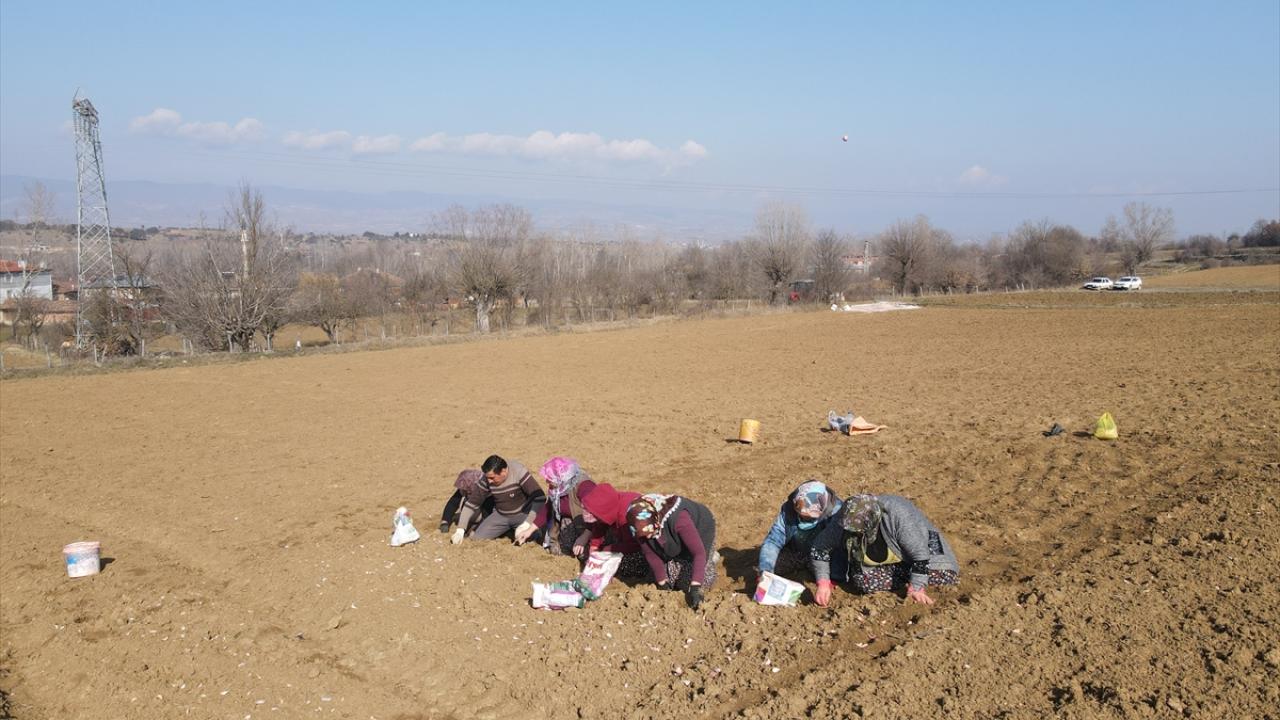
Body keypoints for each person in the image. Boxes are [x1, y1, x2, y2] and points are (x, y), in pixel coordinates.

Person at [809, 493, 959, 606]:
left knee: (945, 575)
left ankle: (910, 578)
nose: (853, 534)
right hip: (890, 565)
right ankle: (905, 575)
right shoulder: (844, 519)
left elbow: (920, 554)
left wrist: (917, 587)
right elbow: (819, 549)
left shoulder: (898, 516)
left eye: (859, 532)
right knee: (864, 583)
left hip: (923, 548)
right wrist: (823, 582)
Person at [625, 493, 718, 610]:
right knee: (663, 579)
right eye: (644, 535)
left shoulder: (679, 519)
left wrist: (695, 588)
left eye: (649, 532)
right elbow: (650, 554)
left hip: (699, 533)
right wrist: (662, 583)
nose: (647, 537)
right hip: (669, 538)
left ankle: (711, 556)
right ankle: (677, 556)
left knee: (695, 581)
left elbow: (698, 553)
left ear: (656, 521)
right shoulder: (639, 525)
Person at [756, 480, 845, 587]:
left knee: (833, 572)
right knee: (769, 564)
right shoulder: (789, 511)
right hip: (796, 552)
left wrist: (829, 579)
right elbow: (773, 540)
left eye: (809, 518)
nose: (804, 519)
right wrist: (766, 571)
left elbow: (841, 547)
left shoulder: (837, 513)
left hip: (824, 557)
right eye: (801, 516)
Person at [451, 455, 546, 544]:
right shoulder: (487, 478)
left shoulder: (518, 471)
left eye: (492, 478)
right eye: (487, 478)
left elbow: (540, 497)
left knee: (528, 538)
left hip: (522, 514)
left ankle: (529, 531)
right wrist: (460, 530)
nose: (489, 481)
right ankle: (508, 531)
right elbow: (472, 503)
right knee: (477, 539)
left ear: (503, 471)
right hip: (501, 515)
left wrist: (527, 523)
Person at [514, 456, 596, 555]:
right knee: (556, 550)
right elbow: (547, 508)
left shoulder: (584, 486)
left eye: (550, 478)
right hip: (572, 524)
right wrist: (528, 531)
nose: (547, 482)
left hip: (592, 527)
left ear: (560, 477)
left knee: (586, 554)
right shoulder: (558, 489)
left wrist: (584, 537)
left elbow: (596, 514)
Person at [439, 468, 494, 534]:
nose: (465, 489)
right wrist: (445, 522)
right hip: (470, 511)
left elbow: (487, 516)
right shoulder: (464, 488)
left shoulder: (487, 492)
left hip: (485, 514)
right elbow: (453, 503)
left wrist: (474, 531)